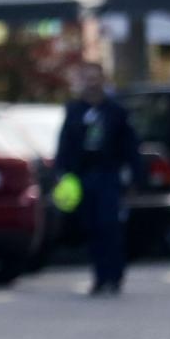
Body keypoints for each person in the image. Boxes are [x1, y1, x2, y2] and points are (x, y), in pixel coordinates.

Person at [54, 62, 143, 295]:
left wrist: (135, 177)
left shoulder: (116, 112)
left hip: (108, 176)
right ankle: (99, 276)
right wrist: (61, 172)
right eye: (87, 78)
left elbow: (131, 147)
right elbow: (65, 144)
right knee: (91, 227)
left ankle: (114, 275)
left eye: (95, 78)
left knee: (109, 225)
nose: (91, 83)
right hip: (83, 176)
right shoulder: (75, 110)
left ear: (103, 80)